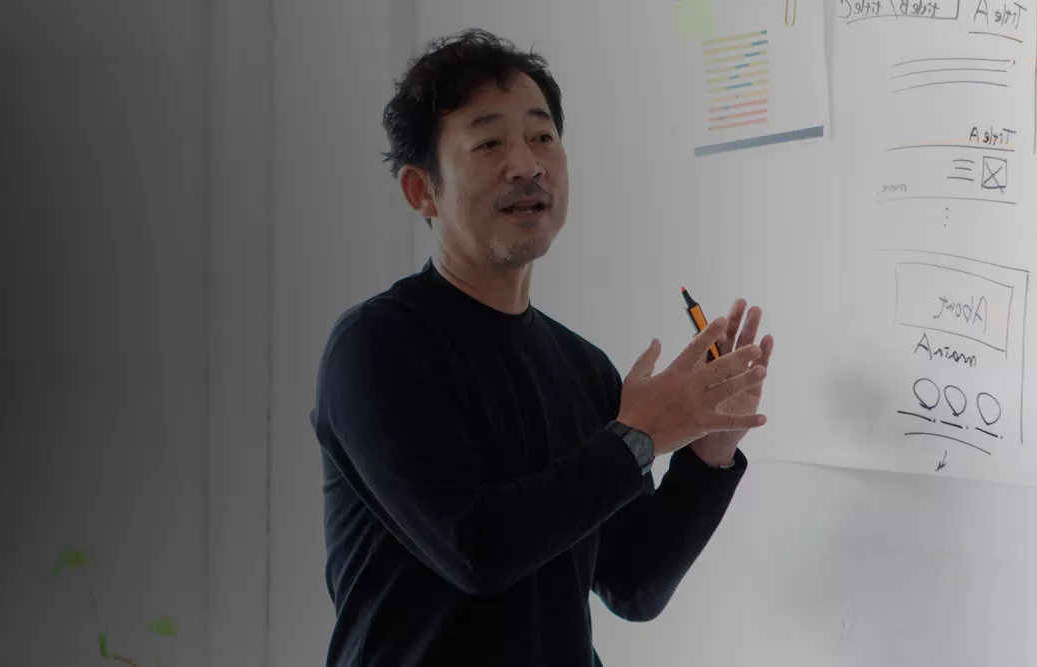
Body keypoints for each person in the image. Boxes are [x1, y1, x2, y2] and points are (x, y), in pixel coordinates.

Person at [310, 29, 776, 666]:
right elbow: (476, 549)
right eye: (489, 142)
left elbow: (633, 582)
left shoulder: (581, 367)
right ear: (423, 190)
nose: (527, 164)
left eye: (542, 137)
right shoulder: (378, 348)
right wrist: (639, 437)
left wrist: (706, 454)